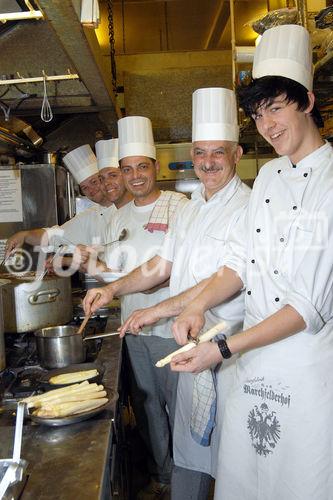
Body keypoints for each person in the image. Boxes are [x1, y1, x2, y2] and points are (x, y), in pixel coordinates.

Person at [168, 25, 333, 500]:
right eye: (259, 115)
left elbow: (306, 308)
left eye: (276, 108)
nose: (267, 126)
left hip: (304, 370)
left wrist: (222, 350)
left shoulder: (328, 183)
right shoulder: (267, 177)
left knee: (297, 485)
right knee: (243, 484)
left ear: (306, 101)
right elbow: (238, 264)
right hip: (252, 364)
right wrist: (195, 307)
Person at [83, 90, 251, 499]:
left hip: (227, 351)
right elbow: (164, 266)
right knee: (191, 452)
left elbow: (220, 279)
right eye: (200, 152)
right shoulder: (193, 207)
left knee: (227, 461)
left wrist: (157, 310)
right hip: (187, 340)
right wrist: (113, 289)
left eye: (218, 152)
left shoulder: (247, 208)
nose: (207, 162)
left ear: (237, 154)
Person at [84, 115, 188, 498]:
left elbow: (161, 272)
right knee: (146, 411)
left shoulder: (180, 207)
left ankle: (187, 480)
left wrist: (111, 286)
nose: (135, 176)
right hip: (132, 332)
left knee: (180, 412)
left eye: (142, 167)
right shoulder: (119, 218)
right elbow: (116, 273)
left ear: (155, 167)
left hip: (173, 330)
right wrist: (89, 267)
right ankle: (163, 476)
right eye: (127, 169)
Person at [4, 142, 130, 260]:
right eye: (84, 187)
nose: (91, 190)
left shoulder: (135, 207)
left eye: (94, 181)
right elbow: (54, 236)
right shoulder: (90, 216)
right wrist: (24, 235)